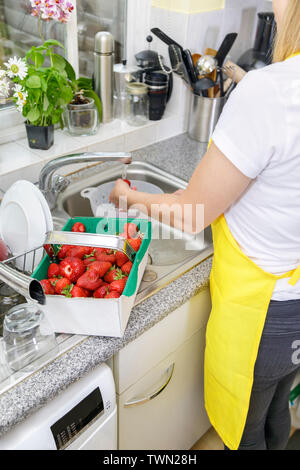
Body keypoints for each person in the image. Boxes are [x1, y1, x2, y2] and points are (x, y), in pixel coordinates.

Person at [109, 0, 300, 450]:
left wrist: (130, 197)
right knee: (275, 409)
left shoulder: (270, 93)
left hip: (262, 312)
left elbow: (194, 213)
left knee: (245, 431)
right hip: (294, 299)